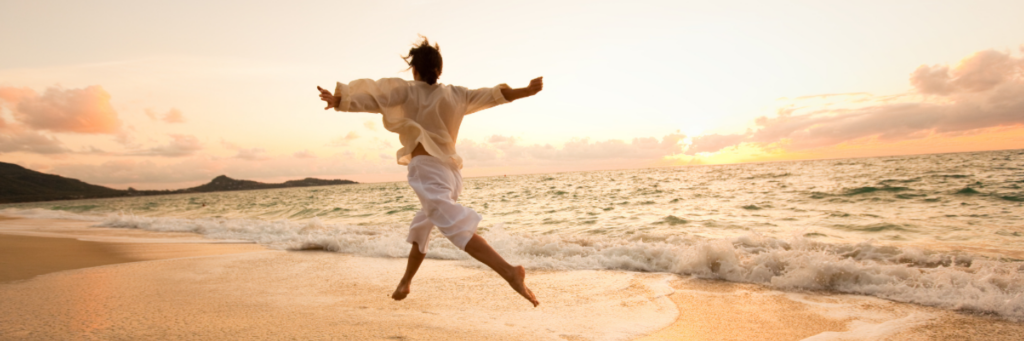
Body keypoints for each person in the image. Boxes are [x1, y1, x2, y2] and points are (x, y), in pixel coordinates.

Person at [317, 37, 542, 307]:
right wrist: (526, 91)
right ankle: (406, 281)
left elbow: (374, 99)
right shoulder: (457, 94)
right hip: (452, 175)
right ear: (439, 70)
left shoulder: (407, 91)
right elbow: (494, 95)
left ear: (415, 70)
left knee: (452, 224)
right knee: (424, 223)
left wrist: (341, 100)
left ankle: (509, 271)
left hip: (427, 170)